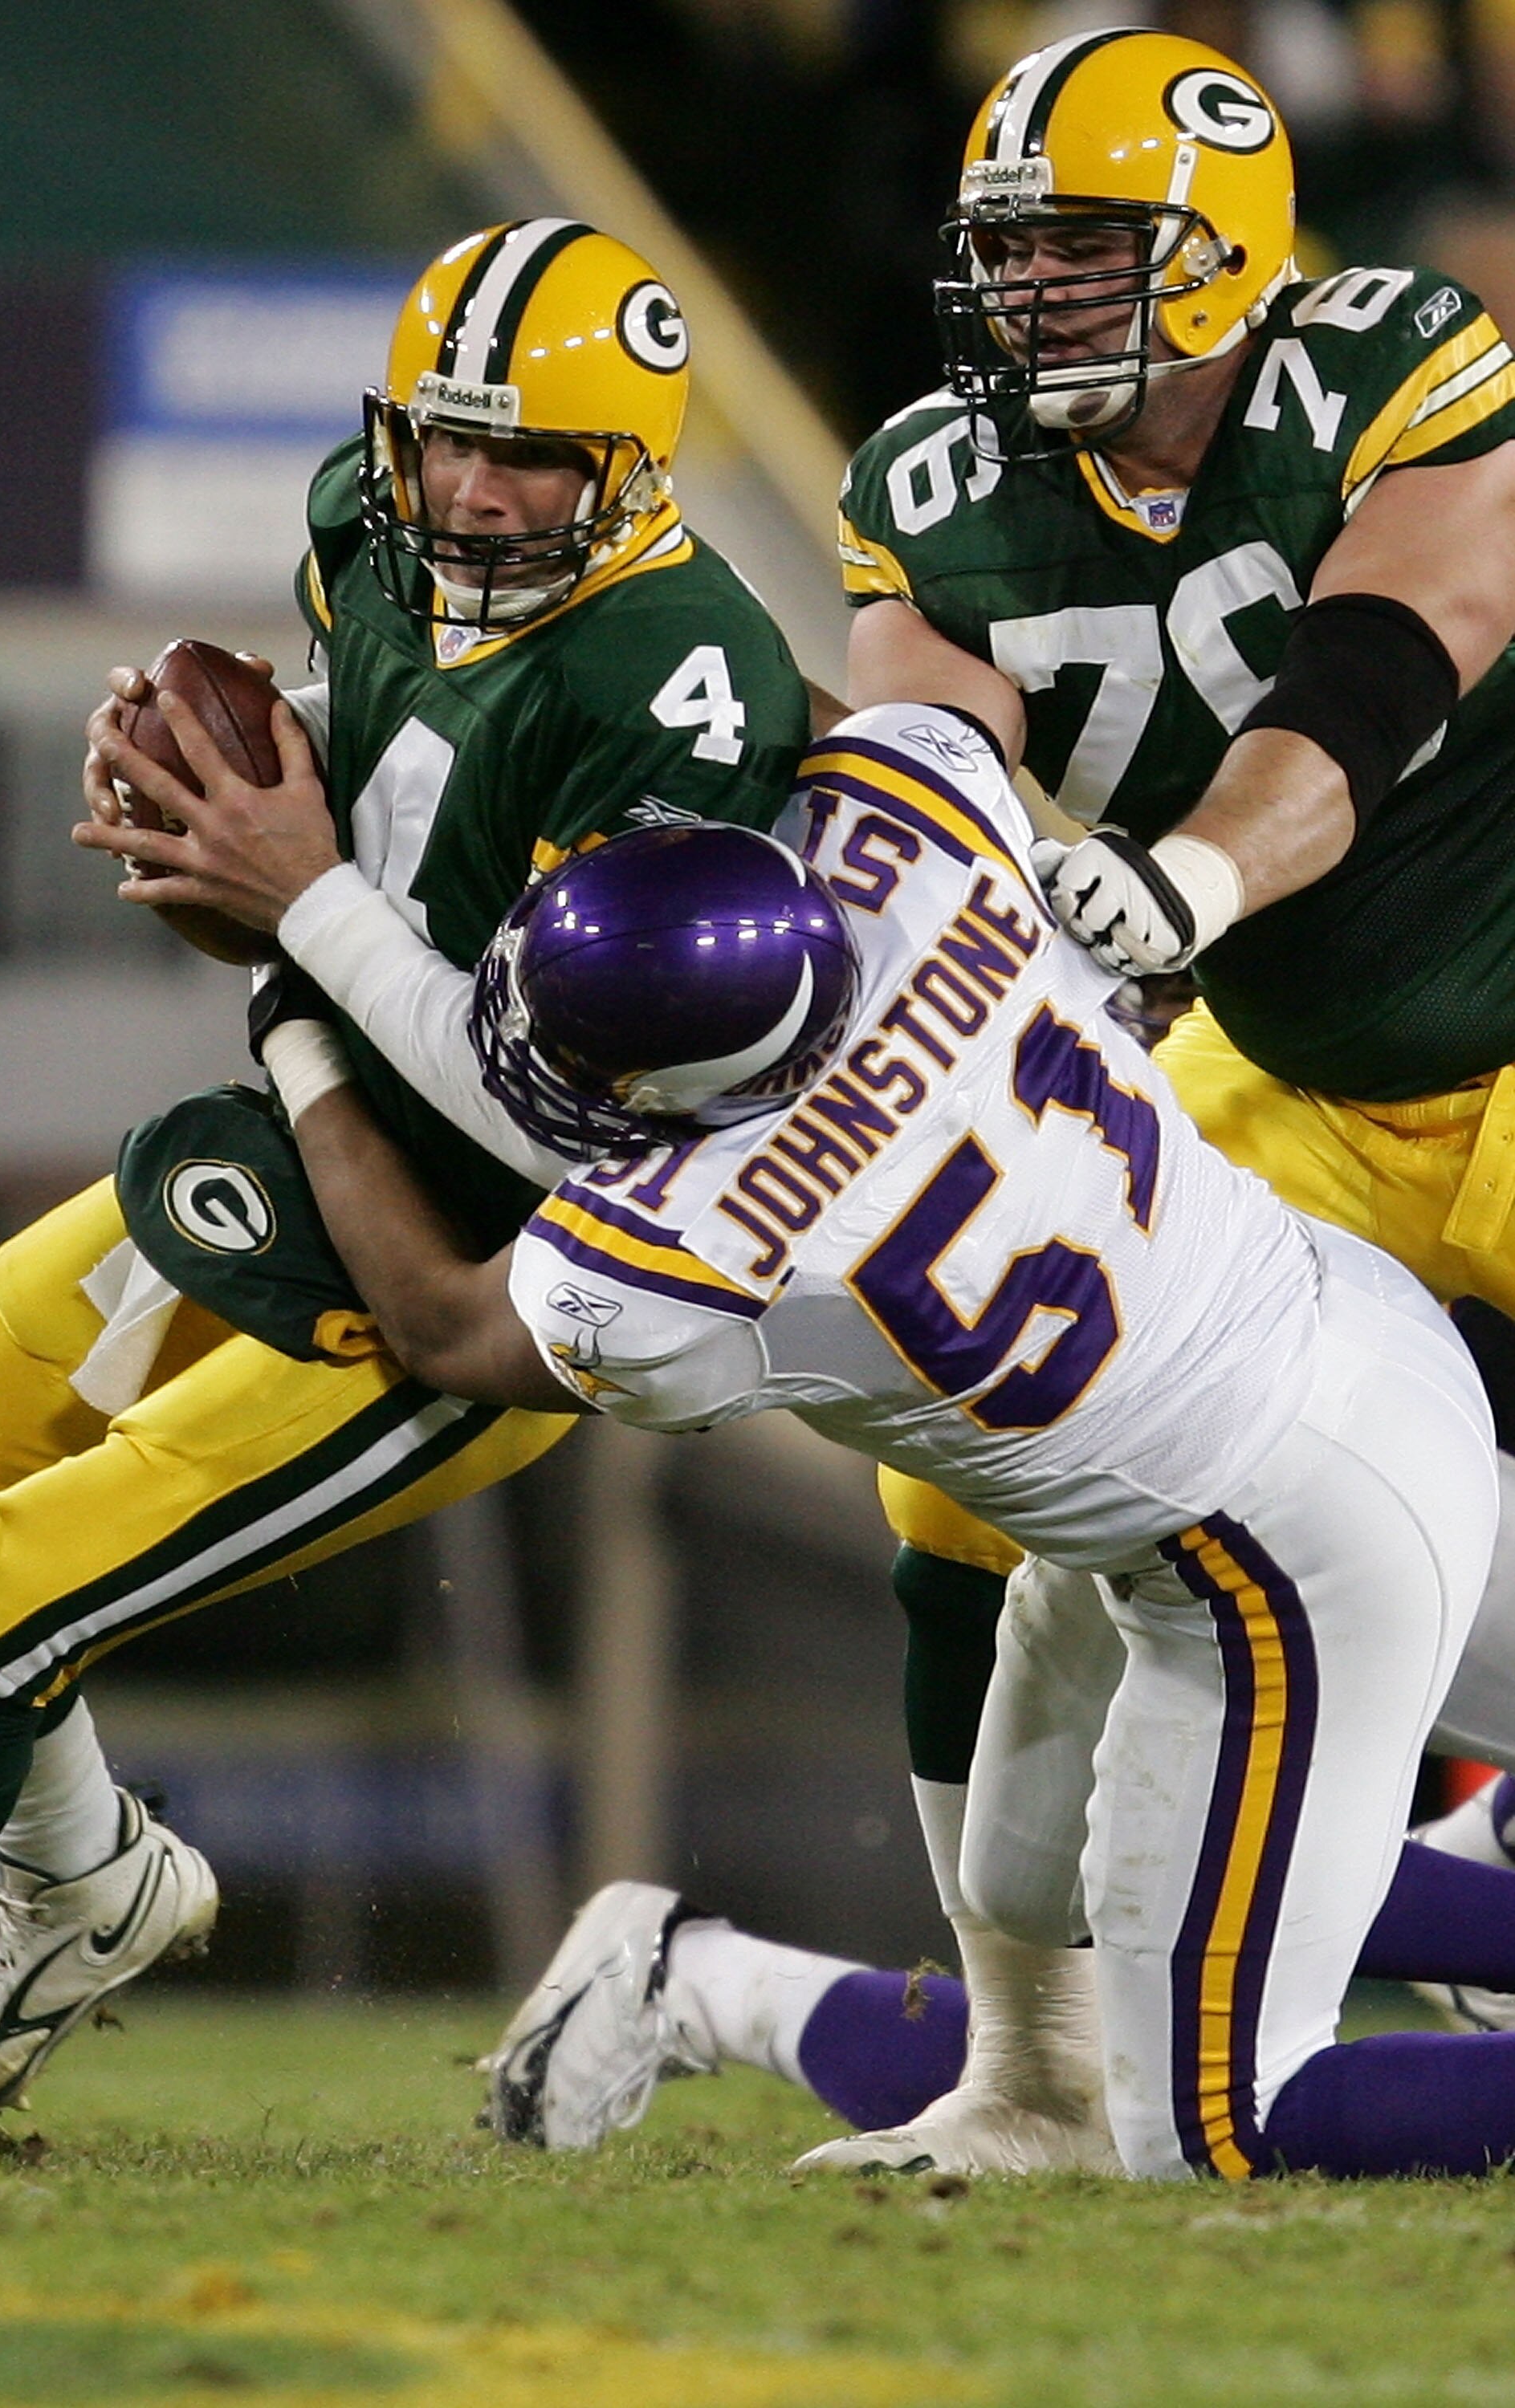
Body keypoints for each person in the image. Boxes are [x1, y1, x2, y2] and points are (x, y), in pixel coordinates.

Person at [0, 221, 811, 2174]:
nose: (467, 488)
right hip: (306, 1126)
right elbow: (331, 831)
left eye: (527, 456)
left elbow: (562, 1118)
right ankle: (88, 1875)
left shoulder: (682, 689)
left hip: (470, 1263)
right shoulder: (364, 535)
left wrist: (299, 914)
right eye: (444, 438)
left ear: (632, 469)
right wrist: (229, 823)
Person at [254, 713, 1515, 2181]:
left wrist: (299, 1024)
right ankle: (797, 2017)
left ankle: (722, 1990)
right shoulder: (922, 838)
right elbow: (860, 727)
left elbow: (449, 1327)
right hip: (1351, 1337)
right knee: (1028, 1886)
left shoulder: (682, 1256)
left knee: (1209, 2127)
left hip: (1282, 1542)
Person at [820, 23, 1515, 2157]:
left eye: (1077, 251)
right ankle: (1022, 2062)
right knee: (950, 1452)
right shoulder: (933, 486)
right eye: (1005, 251)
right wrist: (967, 881)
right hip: (1285, 1063)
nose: (1023, 292)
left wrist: (1181, 876)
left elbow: (1378, 672)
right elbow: (914, 744)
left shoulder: (1392, 361)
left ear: (1214, 256)